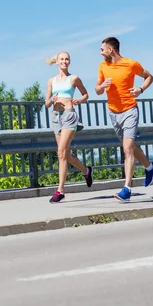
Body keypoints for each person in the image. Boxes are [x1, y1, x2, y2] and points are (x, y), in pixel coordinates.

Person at [94, 36, 153, 202]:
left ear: (111, 50)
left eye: (103, 49)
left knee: (127, 149)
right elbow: (97, 90)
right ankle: (150, 167)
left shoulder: (131, 64)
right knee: (128, 147)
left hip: (130, 110)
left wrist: (140, 89)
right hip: (113, 112)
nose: (101, 53)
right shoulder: (103, 66)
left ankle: (127, 189)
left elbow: (149, 77)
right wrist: (102, 86)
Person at [45, 51, 93, 203]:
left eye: (67, 59)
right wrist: (52, 100)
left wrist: (79, 100)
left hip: (69, 116)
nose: (64, 61)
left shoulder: (74, 78)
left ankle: (60, 191)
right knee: (65, 155)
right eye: (62, 59)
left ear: (69, 62)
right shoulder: (51, 81)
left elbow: (86, 94)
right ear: (57, 62)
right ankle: (86, 171)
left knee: (60, 152)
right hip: (55, 117)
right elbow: (46, 104)